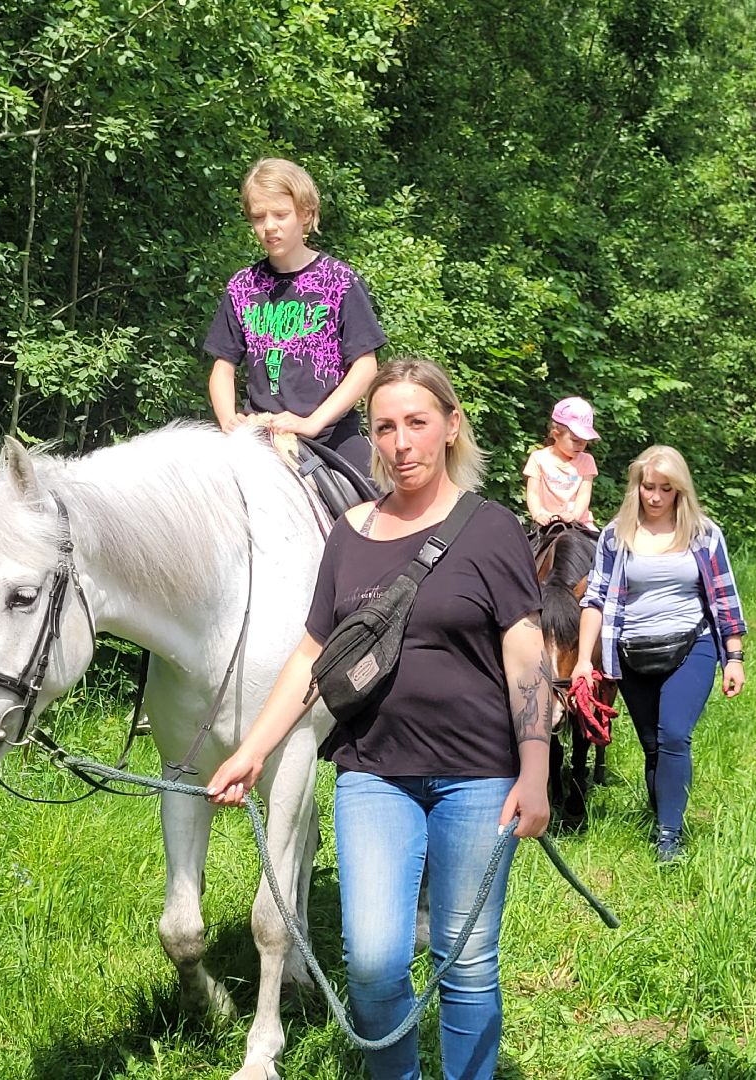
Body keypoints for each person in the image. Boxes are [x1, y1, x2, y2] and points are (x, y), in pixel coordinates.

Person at [207, 357, 551, 1080]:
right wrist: (253, 752)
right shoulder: (349, 534)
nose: (401, 443)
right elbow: (310, 657)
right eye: (385, 426)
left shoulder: (490, 531)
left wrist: (536, 773)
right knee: (371, 964)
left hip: (480, 779)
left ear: (451, 427)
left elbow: (527, 658)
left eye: (417, 424)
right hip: (373, 776)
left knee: (464, 959)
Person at [570, 445, 747, 863]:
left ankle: (669, 837)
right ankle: (663, 813)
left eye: (665, 489)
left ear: (679, 491)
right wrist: (582, 661)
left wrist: (734, 656)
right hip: (634, 651)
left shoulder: (704, 535)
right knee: (652, 745)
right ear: (637, 487)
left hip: (693, 644)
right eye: (648, 487)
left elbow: (724, 596)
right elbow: (594, 599)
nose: (654, 496)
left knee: (673, 736)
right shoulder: (615, 536)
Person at [203, 157, 386, 475]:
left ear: (306, 214)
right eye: (259, 217)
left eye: (281, 214)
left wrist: (313, 423)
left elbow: (365, 366)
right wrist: (228, 419)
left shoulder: (339, 281)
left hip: (331, 437)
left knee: (383, 498)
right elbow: (223, 366)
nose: (269, 226)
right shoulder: (243, 287)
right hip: (260, 438)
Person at [523, 396, 599, 532]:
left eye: (585, 440)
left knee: (600, 548)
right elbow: (532, 493)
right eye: (575, 440)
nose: (581, 445)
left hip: (580, 522)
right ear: (556, 434)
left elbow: (584, 494)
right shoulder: (538, 458)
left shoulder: (587, 460)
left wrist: (574, 515)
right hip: (546, 521)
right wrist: (537, 515)